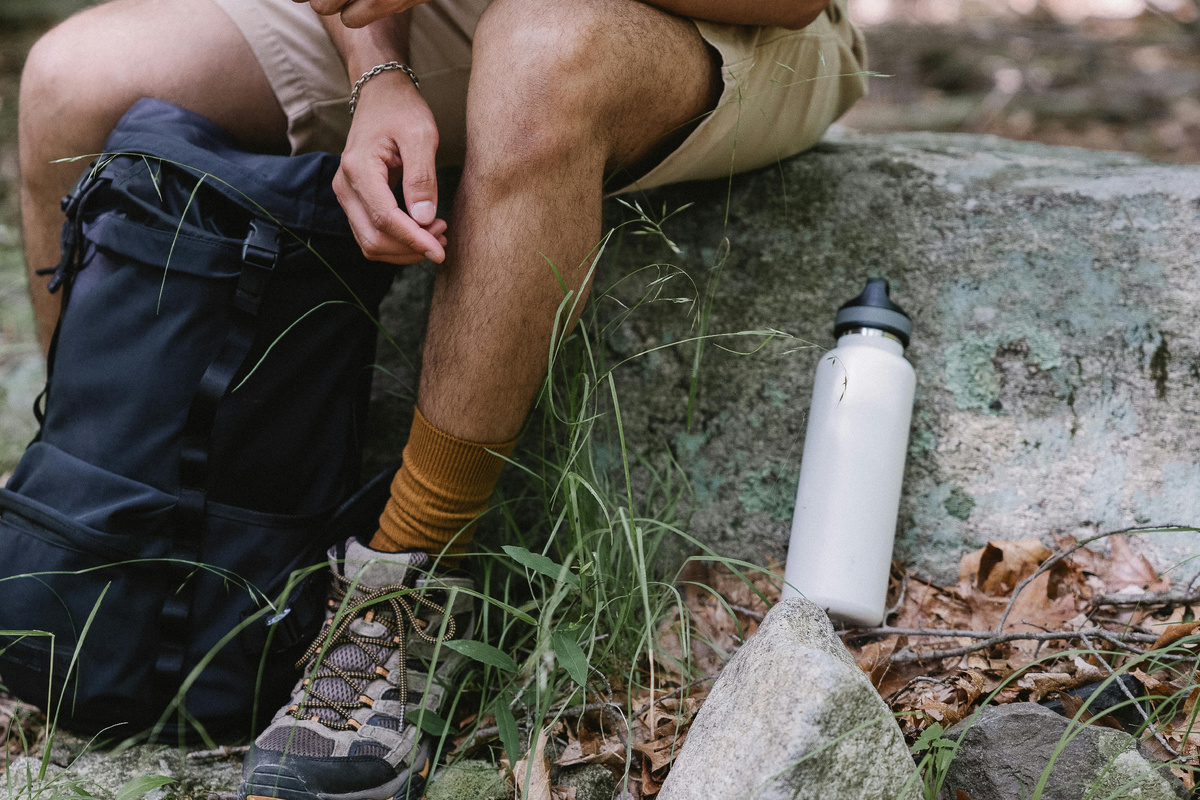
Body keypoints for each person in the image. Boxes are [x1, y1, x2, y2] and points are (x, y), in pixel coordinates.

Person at [17, 0, 867, 796]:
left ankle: (400, 593)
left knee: (539, 48)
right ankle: (77, 512)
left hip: (730, 32)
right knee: (73, 79)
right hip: (465, 23)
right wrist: (376, 70)